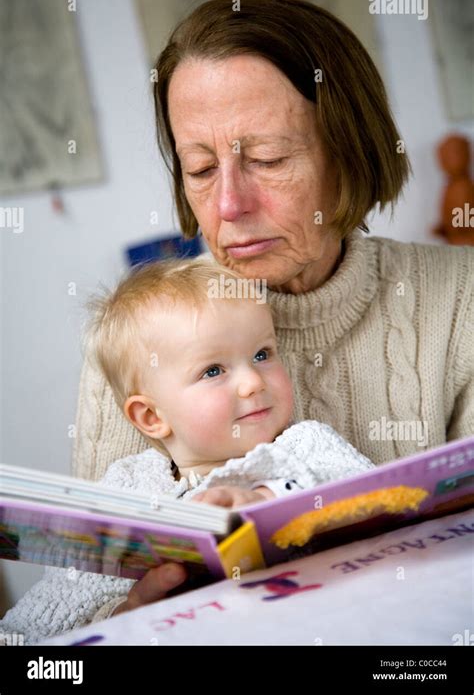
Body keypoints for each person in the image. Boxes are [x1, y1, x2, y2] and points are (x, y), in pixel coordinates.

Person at [3, 0, 473, 638]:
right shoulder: (142, 340)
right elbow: (82, 597)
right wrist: (131, 619)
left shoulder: (459, 300)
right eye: (199, 167)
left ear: (351, 150)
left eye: (270, 160)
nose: (226, 204)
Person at [0, 257, 374, 644]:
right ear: (150, 416)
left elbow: (373, 496)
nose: (251, 382)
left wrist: (267, 501)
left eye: (262, 354)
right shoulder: (127, 483)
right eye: (213, 371)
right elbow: (52, 607)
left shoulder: (306, 444)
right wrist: (117, 615)